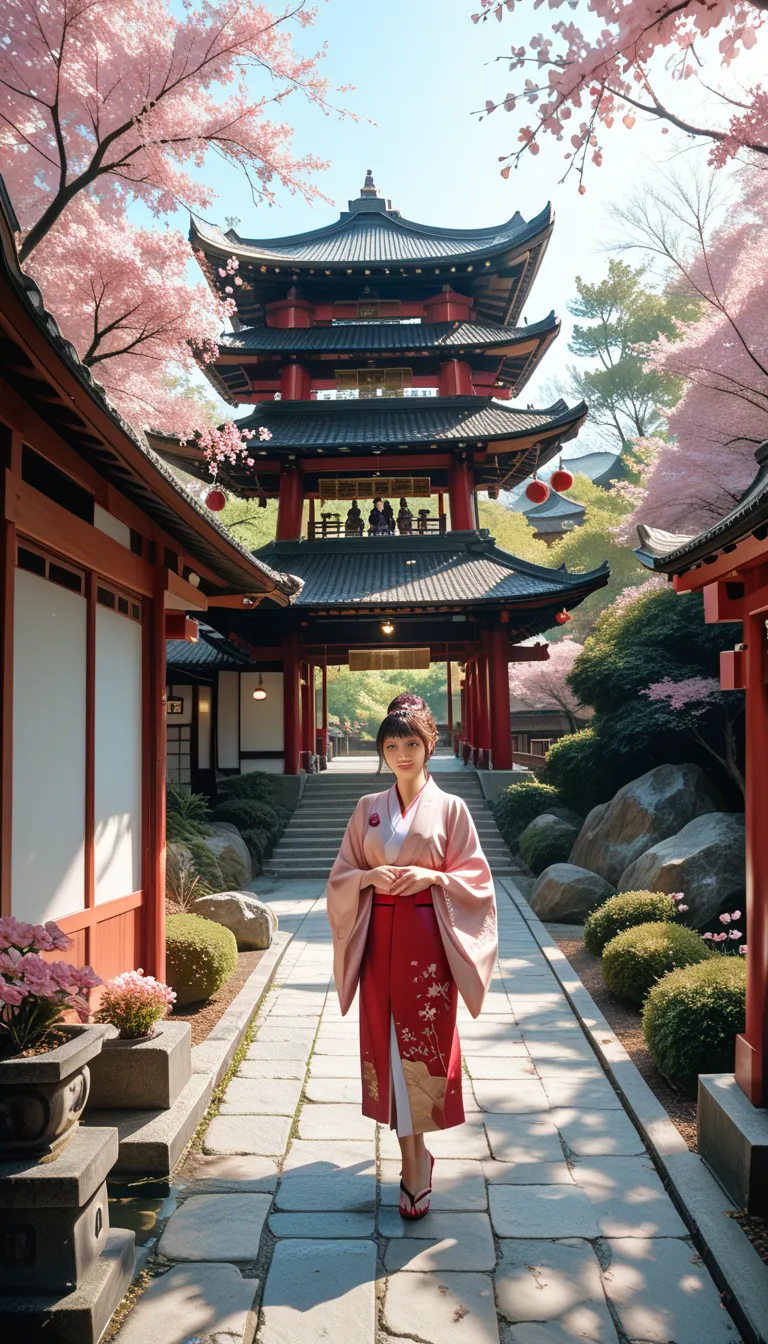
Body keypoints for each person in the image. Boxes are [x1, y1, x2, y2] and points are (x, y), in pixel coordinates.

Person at [326, 694, 497, 1221]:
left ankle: (415, 1164)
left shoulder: (451, 808)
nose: (402, 753)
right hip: (379, 936)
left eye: (412, 744)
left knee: (421, 1044)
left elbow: (477, 881)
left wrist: (434, 877)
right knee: (386, 1042)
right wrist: (367, 878)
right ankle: (412, 1158)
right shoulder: (367, 809)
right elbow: (339, 877)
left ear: (428, 747)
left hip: (427, 939)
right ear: (382, 750)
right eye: (392, 745)